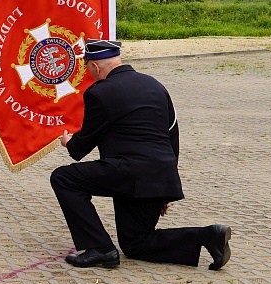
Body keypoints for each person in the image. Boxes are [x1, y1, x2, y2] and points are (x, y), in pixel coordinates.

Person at [50, 39, 231, 270]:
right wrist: (164, 187)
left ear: (95, 67)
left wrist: (69, 142)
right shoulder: (155, 85)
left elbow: (81, 147)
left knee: (63, 178)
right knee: (136, 242)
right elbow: (172, 134)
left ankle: (100, 248)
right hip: (160, 173)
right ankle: (208, 236)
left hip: (129, 172)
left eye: (87, 68)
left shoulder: (100, 92)